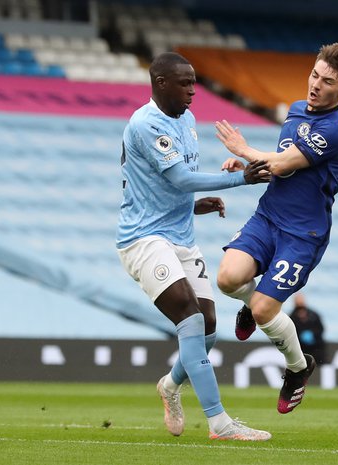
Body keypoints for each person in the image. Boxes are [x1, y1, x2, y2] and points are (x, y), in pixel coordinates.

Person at [116, 52, 271, 441]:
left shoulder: (185, 120)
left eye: (194, 81)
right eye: (183, 82)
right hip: (144, 239)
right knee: (190, 317)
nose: (192, 90)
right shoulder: (147, 123)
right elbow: (183, 178)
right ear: (160, 83)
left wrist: (194, 206)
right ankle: (220, 424)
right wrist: (242, 181)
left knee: (209, 329)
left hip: (180, 235)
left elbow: (169, 185)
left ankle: (169, 386)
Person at [215, 43, 338, 414]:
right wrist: (246, 164)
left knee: (265, 310)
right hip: (268, 217)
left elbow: (282, 164)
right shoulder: (297, 111)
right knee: (228, 279)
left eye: (327, 81)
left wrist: (245, 149)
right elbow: (280, 161)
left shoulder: (336, 130)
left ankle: (298, 368)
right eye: (314, 74)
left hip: (303, 234)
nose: (316, 84)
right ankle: (250, 302)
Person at [289, 293, 327, 365]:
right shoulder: (291, 317)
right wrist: (300, 336)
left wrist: (313, 335)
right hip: (301, 350)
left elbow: (321, 329)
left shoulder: (314, 315)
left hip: (316, 349)